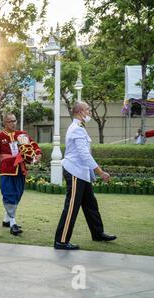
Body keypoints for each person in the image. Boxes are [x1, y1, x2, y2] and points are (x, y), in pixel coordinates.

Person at [54, 102, 116, 250]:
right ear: (80, 112)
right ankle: (61, 241)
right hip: (75, 172)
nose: (89, 112)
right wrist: (100, 172)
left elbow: (84, 154)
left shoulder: (79, 128)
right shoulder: (77, 129)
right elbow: (84, 155)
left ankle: (98, 233)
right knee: (71, 208)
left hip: (80, 173)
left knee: (90, 204)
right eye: (87, 109)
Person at [0, 113, 42, 236]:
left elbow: (34, 146)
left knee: (18, 194)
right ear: (4, 123)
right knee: (9, 195)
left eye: (14, 120)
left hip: (21, 169)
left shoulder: (22, 134)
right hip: (7, 170)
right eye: (9, 121)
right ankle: (13, 223)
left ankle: (6, 220)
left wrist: (38, 154)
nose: (13, 123)